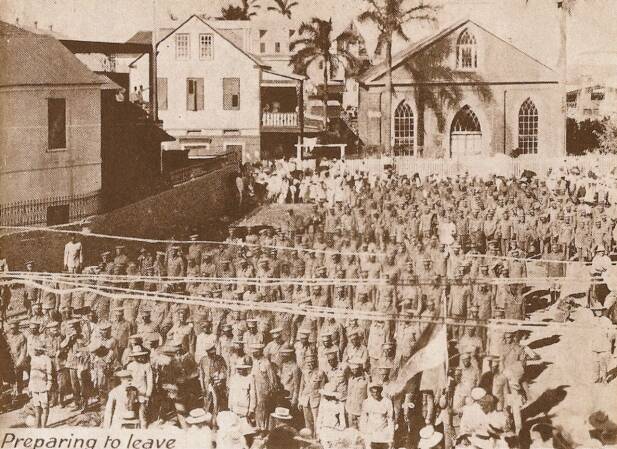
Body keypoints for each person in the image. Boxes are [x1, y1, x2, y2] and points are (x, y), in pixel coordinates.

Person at [126, 344, 154, 428]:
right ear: (134, 357)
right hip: (132, 393)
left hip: (143, 393)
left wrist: (148, 395)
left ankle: (143, 430)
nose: (139, 358)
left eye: (141, 356)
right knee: (131, 414)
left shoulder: (146, 365)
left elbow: (150, 381)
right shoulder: (130, 366)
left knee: (143, 415)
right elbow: (127, 380)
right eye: (137, 356)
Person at [360, 382, 395, 449]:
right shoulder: (367, 402)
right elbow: (363, 418)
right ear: (370, 392)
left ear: (380, 391)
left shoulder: (387, 402)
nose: (375, 394)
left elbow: (390, 419)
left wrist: (391, 436)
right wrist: (363, 433)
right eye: (373, 392)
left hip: (383, 432)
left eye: (377, 392)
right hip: (371, 432)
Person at [28, 342, 53, 428]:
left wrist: (49, 386)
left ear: (39, 350)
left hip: (43, 385)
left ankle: (43, 425)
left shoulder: (47, 359)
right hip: (34, 385)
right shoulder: (33, 358)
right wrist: (30, 387)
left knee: (45, 406)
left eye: (35, 349)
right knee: (36, 405)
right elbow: (31, 373)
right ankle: (37, 423)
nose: (33, 351)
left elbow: (49, 373)